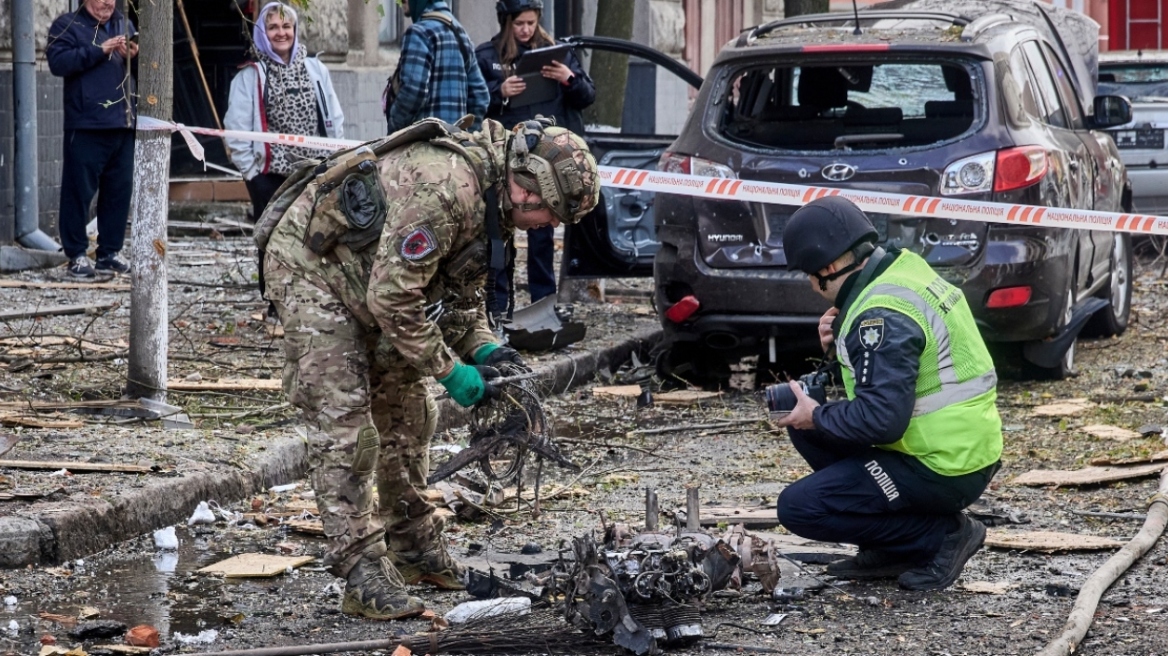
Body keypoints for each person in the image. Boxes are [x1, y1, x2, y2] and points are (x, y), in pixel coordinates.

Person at [255, 116, 600, 619]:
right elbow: (394, 299)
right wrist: (451, 371)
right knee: (348, 427)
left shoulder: (492, 203)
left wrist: (485, 350)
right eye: (551, 216)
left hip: (375, 279)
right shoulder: (446, 190)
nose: (550, 228)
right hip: (315, 270)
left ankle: (414, 548)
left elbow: (457, 297)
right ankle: (361, 573)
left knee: (412, 413)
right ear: (527, 191)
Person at [771, 196, 1002, 591]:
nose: (811, 286)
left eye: (810, 276)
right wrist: (835, 349)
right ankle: (892, 546)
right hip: (962, 444)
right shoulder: (902, 271)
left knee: (798, 507)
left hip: (944, 464)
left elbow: (882, 419)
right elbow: (890, 377)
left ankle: (942, 535)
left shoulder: (880, 316)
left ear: (828, 268)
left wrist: (817, 414)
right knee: (806, 425)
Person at [476, 0, 596, 321]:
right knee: (499, 232)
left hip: (547, 163)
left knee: (542, 231)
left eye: (531, 23)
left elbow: (587, 96)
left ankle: (544, 305)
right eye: (519, 24)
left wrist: (568, 77)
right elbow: (473, 101)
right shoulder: (487, 56)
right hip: (505, 162)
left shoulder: (557, 51)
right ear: (507, 23)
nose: (526, 30)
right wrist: (499, 91)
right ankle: (498, 306)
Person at [224, 1, 344, 224]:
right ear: (262, 33)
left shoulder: (316, 69)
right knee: (273, 246)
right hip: (270, 179)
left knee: (313, 242)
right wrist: (252, 175)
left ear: (295, 30)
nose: (281, 33)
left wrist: (335, 160)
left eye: (286, 26)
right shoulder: (251, 75)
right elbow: (236, 131)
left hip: (314, 173)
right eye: (273, 27)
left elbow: (333, 118)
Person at [46, 0, 138, 279]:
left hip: (123, 122)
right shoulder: (67, 25)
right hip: (86, 123)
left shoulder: (125, 24)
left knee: (118, 192)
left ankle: (109, 253)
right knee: (78, 192)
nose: (108, 3)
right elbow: (58, 63)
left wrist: (134, 53)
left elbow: (142, 68)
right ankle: (75, 254)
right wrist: (100, 50)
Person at [384, 0, 489, 134]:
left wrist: (394, 130)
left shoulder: (419, 32)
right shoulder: (460, 33)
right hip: (455, 149)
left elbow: (413, 91)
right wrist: (465, 135)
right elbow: (480, 96)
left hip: (422, 147)